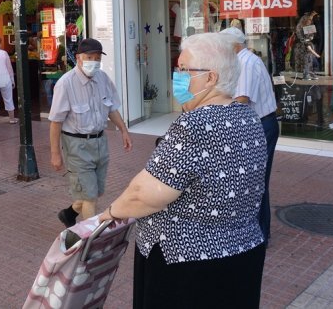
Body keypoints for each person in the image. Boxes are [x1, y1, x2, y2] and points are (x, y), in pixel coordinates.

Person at [98, 33, 267, 308]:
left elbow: (145, 193)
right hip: (242, 257)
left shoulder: (195, 124)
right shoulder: (248, 117)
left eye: (184, 70)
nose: (177, 77)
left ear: (211, 78)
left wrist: (110, 214)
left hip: (187, 267)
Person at [49, 38, 132, 226]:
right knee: (90, 197)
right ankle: (91, 240)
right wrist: (55, 154)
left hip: (100, 143)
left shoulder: (102, 78)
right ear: (78, 58)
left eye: (97, 58)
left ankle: (69, 214)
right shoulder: (65, 84)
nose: (93, 62)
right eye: (89, 57)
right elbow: (55, 122)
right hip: (76, 146)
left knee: (94, 192)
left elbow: (111, 108)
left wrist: (123, 131)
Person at [220, 26, 279, 246]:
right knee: (255, 178)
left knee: (257, 179)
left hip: (262, 125)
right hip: (261, 124)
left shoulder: (245, 63)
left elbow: (242, 99)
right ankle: (257, 229)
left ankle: (261, 234)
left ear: (234, 45)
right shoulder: (244, 60)